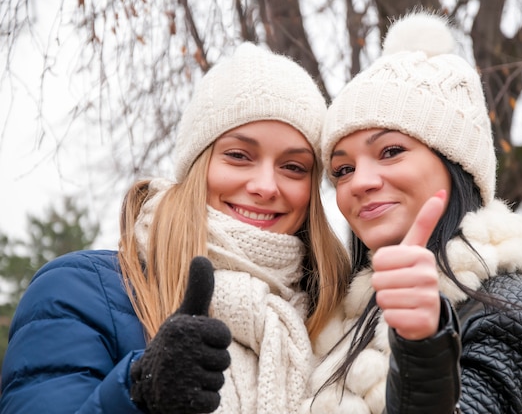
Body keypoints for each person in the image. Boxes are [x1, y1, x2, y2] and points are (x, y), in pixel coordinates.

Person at [0, 42, 352, 414]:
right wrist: (139, 391)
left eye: (294, 167)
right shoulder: (78, 293)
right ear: (196, 165)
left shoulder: (337, 316)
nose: (265, 185)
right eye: (238, 156)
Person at [301, 11, 522, 414]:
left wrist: (423, 348)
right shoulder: (334, 315)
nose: (359, 181)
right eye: (343, 169)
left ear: (456, 163)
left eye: (391, 151)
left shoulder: (516, 319)